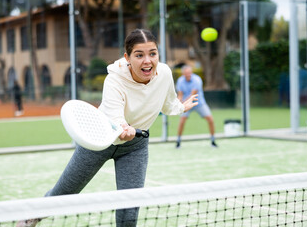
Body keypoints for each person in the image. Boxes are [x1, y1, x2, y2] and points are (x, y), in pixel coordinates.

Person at [16, 29, 198, 227]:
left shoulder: (164, 73)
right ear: (127, 57)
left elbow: (168, 102)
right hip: (100, 140)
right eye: (139, 55)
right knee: (64, 193)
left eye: (152, 53)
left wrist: (181, 107)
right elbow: (114, 114)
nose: (147, 60)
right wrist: (123, 128)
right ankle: (31, 217)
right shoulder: (114, 79)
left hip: (135, 147)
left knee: (130, 210)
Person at [175, 65, 218, 148]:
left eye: (189, 73)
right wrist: (178, 103)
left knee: (210, 119)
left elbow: (192, 95)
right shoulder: (180, 81)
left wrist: (182, 103)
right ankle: (178, 141)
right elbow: (180, 95)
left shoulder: (197, 80)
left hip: (199, 103)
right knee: (182, 120)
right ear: (183, 73)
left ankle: (213, 141)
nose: (188, 74)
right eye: (186, 73)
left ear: (191, 73)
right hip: (186, 104)